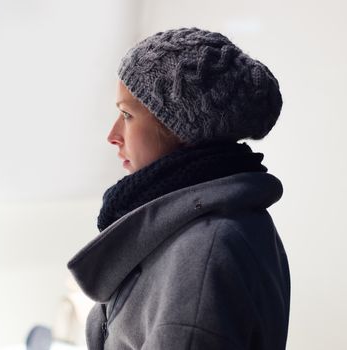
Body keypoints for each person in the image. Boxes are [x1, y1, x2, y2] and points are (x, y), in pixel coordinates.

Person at [67, 28, 290, 349]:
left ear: (181, 129)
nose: (112, 134)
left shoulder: (206, 251)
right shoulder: (200, 225)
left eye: (127, 115)